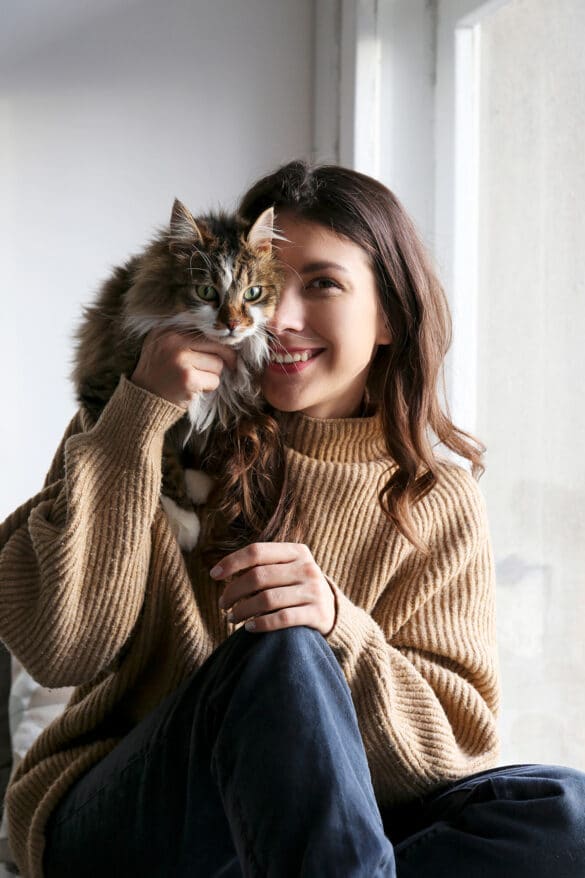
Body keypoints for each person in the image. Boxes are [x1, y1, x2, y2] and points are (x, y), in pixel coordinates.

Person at [0, 160, 584, 878]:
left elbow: (450, 757)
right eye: (272, 281)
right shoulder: (143, 417)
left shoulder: (437, 498)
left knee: (562, 808)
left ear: (391, 318)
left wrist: (339, 627)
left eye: (324, 284)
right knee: (280, 652)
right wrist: (135, 416)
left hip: (311, 827)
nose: (275, 317)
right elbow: (60, 650)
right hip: (120, 819)